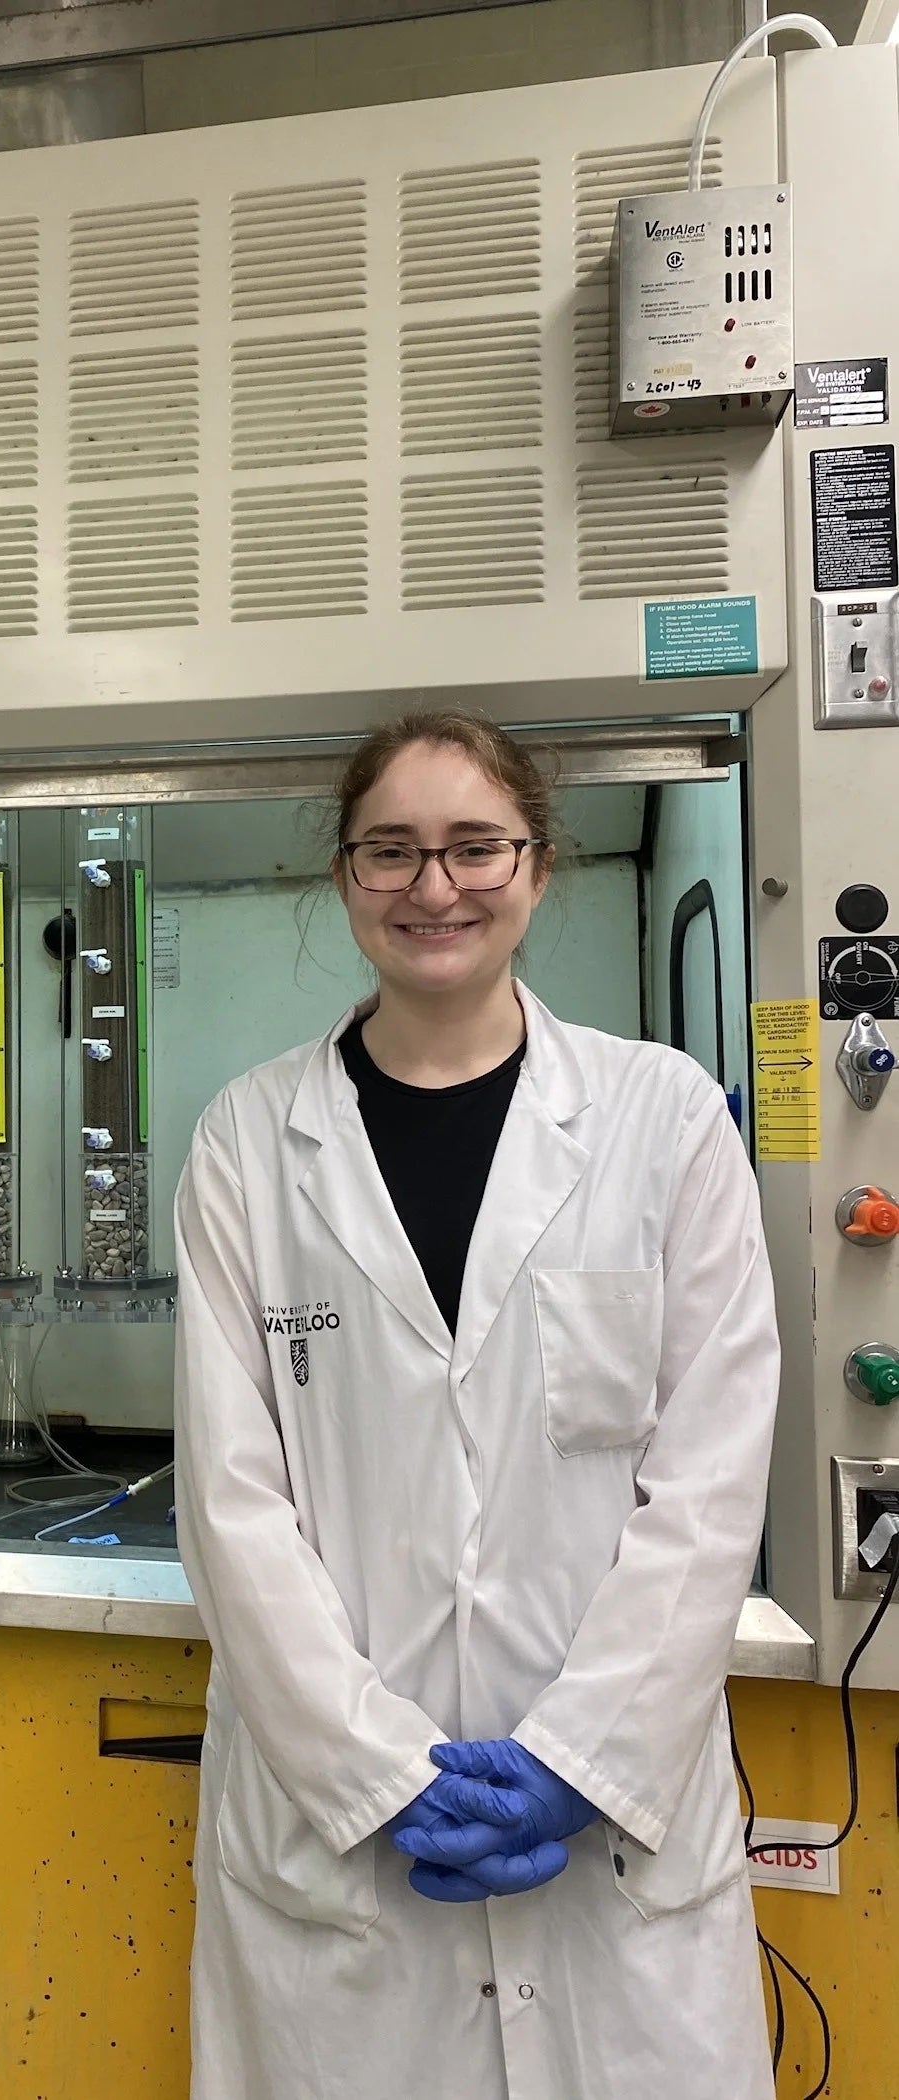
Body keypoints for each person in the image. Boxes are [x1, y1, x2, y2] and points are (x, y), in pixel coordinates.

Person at [174, 710, 779, 2100]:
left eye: (472, 848)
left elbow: (710, 1476)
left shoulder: (663, 1118)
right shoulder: (250, 1143)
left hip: (614, 1850)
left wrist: (589, 1759)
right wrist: (372, 1769)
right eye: (390, 851)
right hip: (340, 1863)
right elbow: (231, 1503)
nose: (433, 888)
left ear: (539, 867)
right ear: (344, 878)